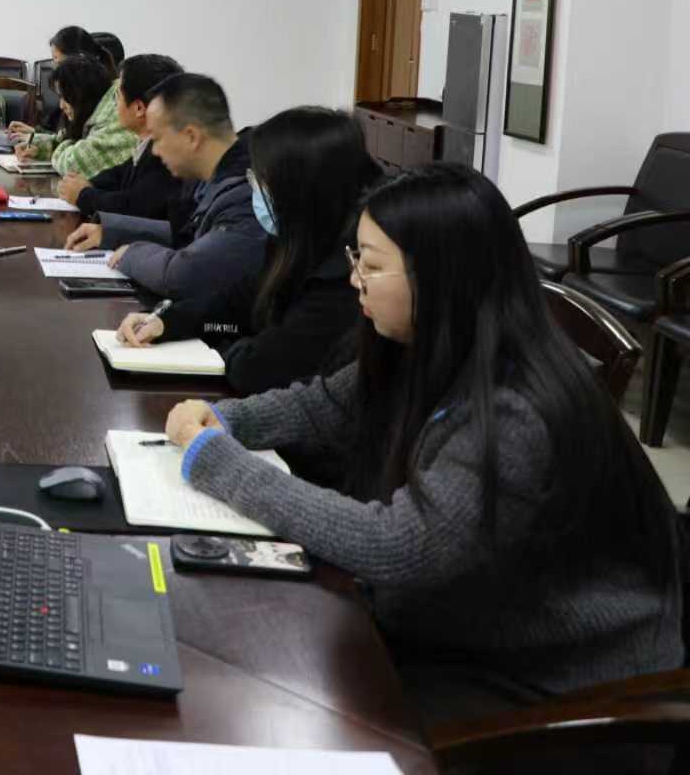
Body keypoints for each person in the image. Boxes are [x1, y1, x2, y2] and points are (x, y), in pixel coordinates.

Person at [163, 164, 682, 729]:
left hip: (559, 687)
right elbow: (321, 406)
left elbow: (396, 544)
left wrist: (219, 461)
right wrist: (226, 418)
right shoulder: (427, 344)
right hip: (461, 622)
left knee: (287, 694)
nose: (354, 279)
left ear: (440, 277)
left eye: (371, 265)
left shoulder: (515, 411)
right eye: (356, 258)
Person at [116, 107, 384, 394]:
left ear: (299, 190)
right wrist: (166, 322)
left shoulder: (345, 277)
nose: (254, 189)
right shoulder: (293, 241)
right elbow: (238, 302)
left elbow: (258, 369)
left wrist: (224, 346)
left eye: (262, 180)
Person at [67, 72, 265, 313]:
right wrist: (111, 232)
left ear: (191, 136)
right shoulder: (207, 178)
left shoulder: (247, 190)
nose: (155, 151)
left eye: (157, 138)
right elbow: (185, 236)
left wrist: (132, 254)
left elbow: (188, 273)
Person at [57, 53, 183, 219]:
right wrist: (86, 184)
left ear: (139, 108)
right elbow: (119, 175)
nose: (114, 104)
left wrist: (83, 195)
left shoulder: (167, 155)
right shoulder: (148, 144)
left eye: (117, 95)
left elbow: (133, 207)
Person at [17, 53, 135, 176]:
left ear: (81, 95)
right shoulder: (98, 108)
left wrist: (68, 145)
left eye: (64, 98)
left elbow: (72, 164)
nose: (61, 106)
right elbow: (64, 139)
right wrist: (38, 147)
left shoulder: (114, 114)